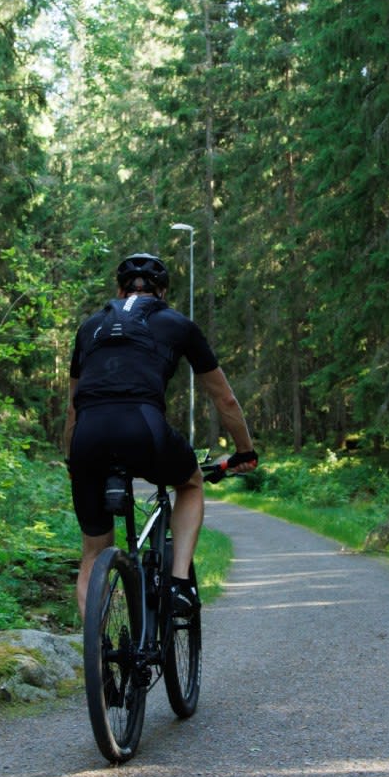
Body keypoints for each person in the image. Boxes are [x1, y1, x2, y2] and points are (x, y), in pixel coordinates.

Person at [64, 252, 257, 627]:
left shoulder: (90, 327)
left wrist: (74, 461)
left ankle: (98, 664)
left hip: (87, 435)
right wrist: (244, 451)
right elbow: (226, 399)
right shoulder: (177, 323)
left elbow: (72, 409)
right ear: (163, 292)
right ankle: (179, 583)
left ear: (119, 290)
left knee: (92, 551)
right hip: (143, 428)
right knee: (191, 482)